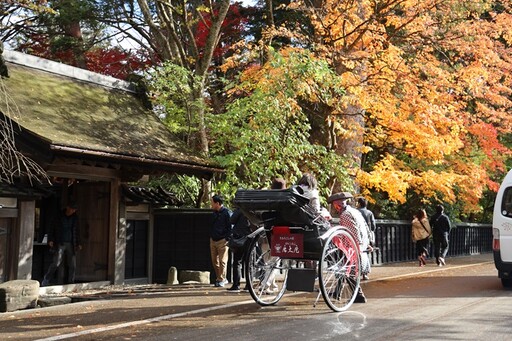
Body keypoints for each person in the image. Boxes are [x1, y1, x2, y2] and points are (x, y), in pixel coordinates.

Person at [328, 192, 371, 303]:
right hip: (360, 245)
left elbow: (352, 234)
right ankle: (337, 292)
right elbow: (365, 228)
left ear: (337, 205)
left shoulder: (345, 215)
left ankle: (359, 296)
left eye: (335, 206)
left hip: (354, 247)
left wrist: (352, 249)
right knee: (345, 270)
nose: (335, 208)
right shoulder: (354, 211)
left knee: (349, 272)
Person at [41, 202, 82, 286]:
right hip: (60, 242)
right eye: (71, 209)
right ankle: (46, 279)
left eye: (74, 210)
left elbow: (77, 231)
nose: (72, 211)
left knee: (72, 264)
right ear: (67, 207)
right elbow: (51, 228)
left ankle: (71, 282)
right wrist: (50, 239)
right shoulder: (58, 216)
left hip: (71, 242)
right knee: (56, 263)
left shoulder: (75, 218)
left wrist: (79, 243)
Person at [227, 207, 252, 292]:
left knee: (237, 261)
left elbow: (232, 220)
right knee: (248, 262)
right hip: (250, 237)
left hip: (239, 237)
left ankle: (236, 285)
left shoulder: (240, 209)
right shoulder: (252, 209)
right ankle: (249, 285)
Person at [210, 194, 232, 287]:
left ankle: (222, 279)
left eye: (212, 202)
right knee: (214, 260)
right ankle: (219, 277)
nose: (211, 204)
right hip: (213, 239)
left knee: (223, 261)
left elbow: (230, 226)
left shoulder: (227, 213)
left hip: (222, 240)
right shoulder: (214, 213)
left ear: (217, 203)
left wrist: (227, 238)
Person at [356, 197, 376, 280]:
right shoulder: (369, 213)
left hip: (357, 234)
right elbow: (373, 225)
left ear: (359, 203)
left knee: (358, 253)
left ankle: (357, 271)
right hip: (367, 235)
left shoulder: (356, 212)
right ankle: (365, 273)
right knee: (366, 253)